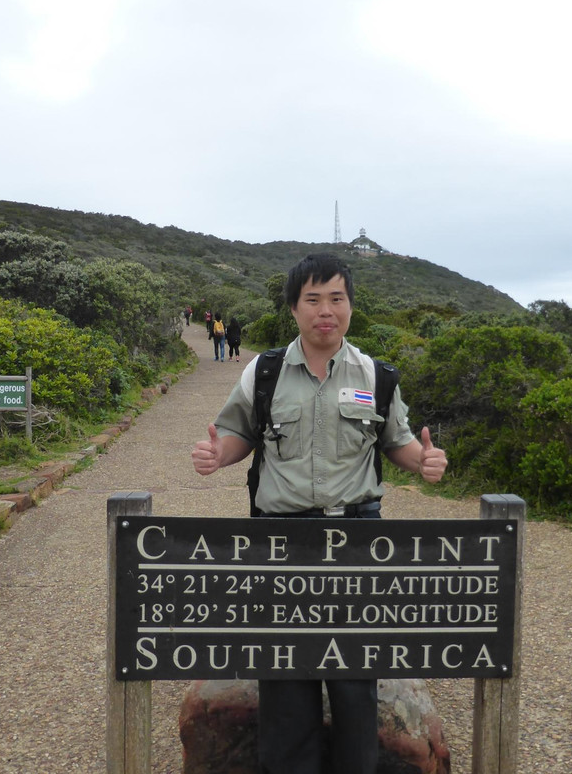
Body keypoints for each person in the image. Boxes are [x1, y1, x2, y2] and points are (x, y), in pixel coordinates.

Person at [191, 253, 447, 774]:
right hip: (280, 538)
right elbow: (240, 431)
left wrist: (423, 461)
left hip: (355, 537)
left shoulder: (377, 376)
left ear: (351, 306)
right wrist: (221, 454)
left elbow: (396, 441)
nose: (325, 311)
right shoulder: (262, 372)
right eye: (313, 300)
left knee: (355, 678)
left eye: (337, 298)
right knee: (284, 675)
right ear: (293, 309)